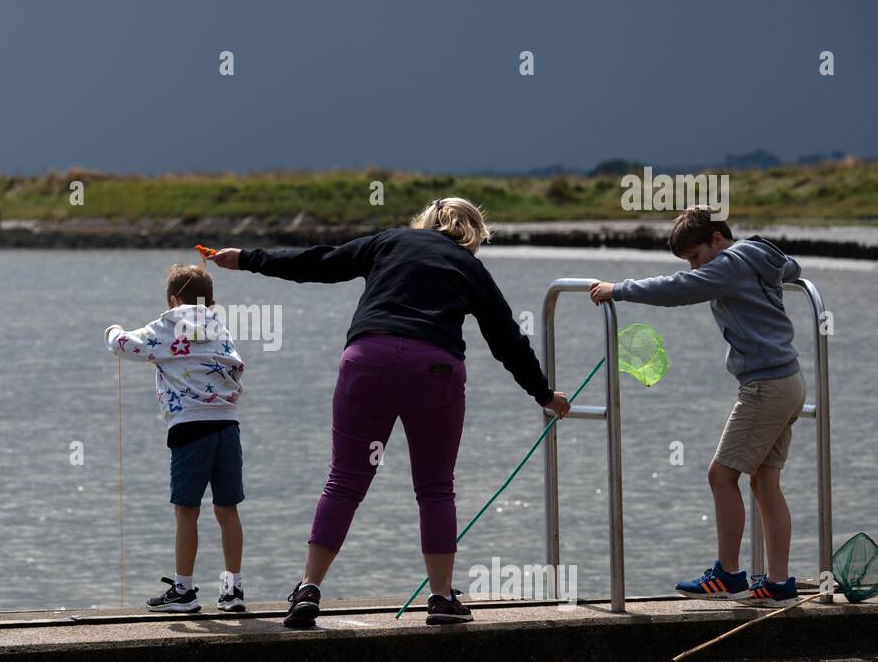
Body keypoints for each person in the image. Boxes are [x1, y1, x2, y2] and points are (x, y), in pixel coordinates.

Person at [209, 198, 569, 627]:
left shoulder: (389, 242)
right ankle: (440, 598)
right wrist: (543, 393)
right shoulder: (469, 266)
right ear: (473, 233)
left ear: (423, 222)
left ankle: (308, 588)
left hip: (368, 360)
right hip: (434, 370)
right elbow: (507, 337)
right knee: (435, 487)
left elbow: (319, 262)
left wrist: (249, 259)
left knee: (343, 480)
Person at [589, 206, 806, 607]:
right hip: (790, 381)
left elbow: (677, 290)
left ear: (717, 240)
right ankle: (778, 581)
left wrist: (617, 289)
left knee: (721, 476)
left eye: (695, 256)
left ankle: (727, 573)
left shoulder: (727, 265)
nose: (693, 267)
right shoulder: (757, 255)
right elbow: (790, 268)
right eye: (688, 261)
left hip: (765, 386)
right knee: (764, 482)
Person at [105, 264, 247, 613]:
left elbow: (126, 345)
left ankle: (183, 590)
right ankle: (232, 591)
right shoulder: (221, 328)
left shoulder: (171, 324)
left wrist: (112, 330)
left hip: (189, 427)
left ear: (173, 298)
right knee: (227, 509)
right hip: (227, 426)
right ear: (211, 300)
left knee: (187, 510)